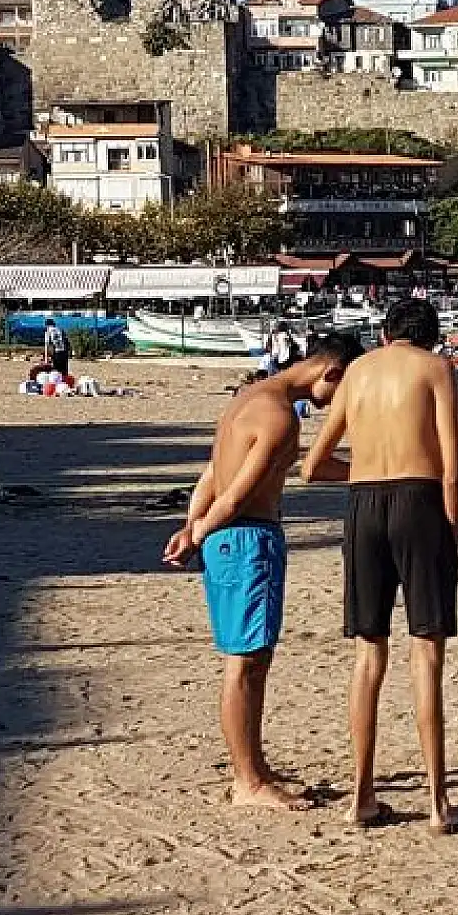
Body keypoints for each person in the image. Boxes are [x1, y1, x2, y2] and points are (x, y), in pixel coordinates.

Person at [163, 333, 363, 812]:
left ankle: (253, 767)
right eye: (343, 389)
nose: (339, 403)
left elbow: (211, 475)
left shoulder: (248, 398)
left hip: (228, 538)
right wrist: (196, 533)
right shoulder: (278, 416)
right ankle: (247, 781)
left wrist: (192, 525)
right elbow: (235, 494)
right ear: (330, 373)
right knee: (246, 662)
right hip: (246, 539)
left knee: (252, 658)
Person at [300, 299, 458, 834]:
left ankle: (361, 796)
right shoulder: (436, 368)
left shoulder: (356, 372)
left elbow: (312, 466)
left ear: (384, 334)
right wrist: (453, 535)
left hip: (364, 504)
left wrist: (366, 471)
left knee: (368, 654)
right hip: (420, 501)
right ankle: (438, 804)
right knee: (427, 652)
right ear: (432, 337)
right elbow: (451, 468)